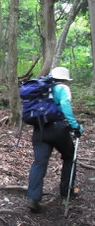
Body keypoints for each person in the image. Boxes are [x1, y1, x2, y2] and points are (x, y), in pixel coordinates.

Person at [27, 66, 84, 213]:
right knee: (69, 156)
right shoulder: (62, 88)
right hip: (57, 129)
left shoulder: (42, 89)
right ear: (65, 79)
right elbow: (65, 105)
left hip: (39, 130)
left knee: (39, 163)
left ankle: (33, 198)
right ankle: (67, 190)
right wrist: (75, 126)